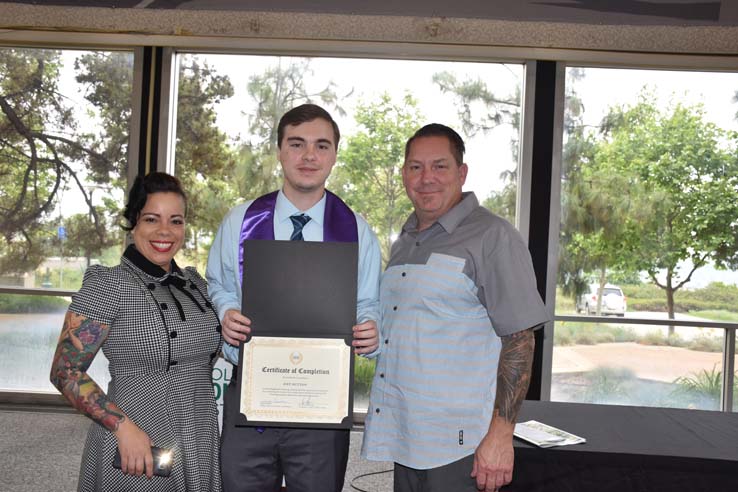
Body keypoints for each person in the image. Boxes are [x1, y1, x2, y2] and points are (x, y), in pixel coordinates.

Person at [362, 124, 551, 492]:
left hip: (461, 447)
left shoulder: (493, 237)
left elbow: (519, 340)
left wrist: (500, 435)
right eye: (415, 167)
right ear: (404, 174)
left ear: (461, 173)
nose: (426, 178)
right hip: (406, 437)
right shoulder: (405, 242)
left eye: (439, 166)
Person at [207, 103, 381, 492]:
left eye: (321, 145)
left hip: (323, 401)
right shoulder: (240, 221)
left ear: (335, 153)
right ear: (280, 150)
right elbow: (216, 284)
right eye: (297, 144)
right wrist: (226, 310)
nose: (309, 156)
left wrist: (371, 328)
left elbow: (368, 302)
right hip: (250, 395)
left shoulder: (357, 230)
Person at [50, 172, 223, 492]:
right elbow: (65, 371)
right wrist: (123, 429)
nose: (165, 232)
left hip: (198, 435)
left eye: (176, 221)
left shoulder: (195, 285)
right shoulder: (108, 284)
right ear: (133, 223)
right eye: (151, 219)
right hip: (137, 440)